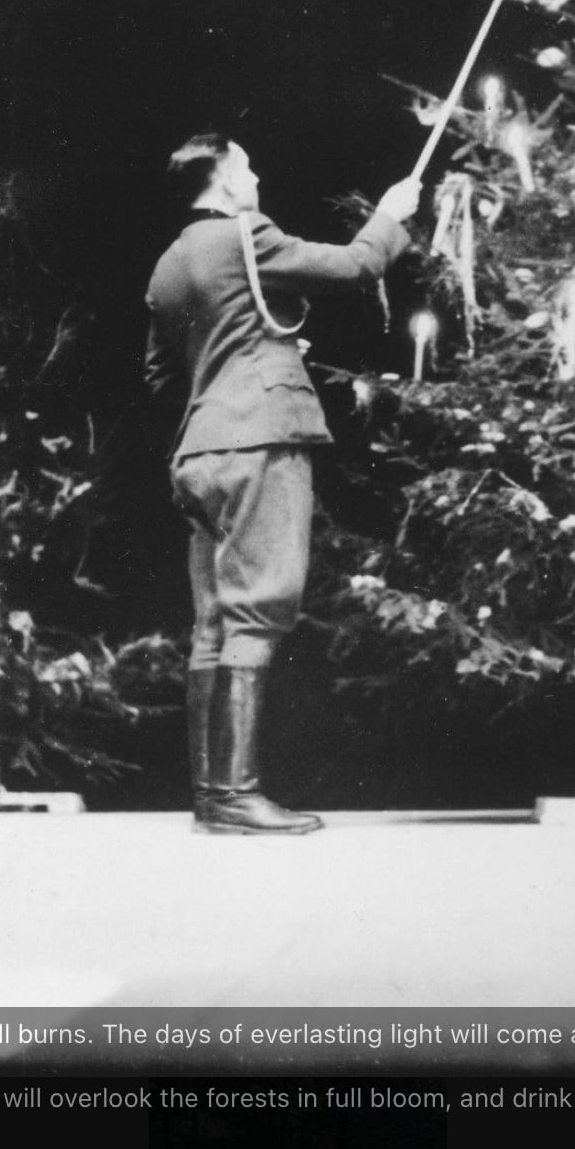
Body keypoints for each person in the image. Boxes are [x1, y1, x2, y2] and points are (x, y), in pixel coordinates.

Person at [145, 133, 421, 834]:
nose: (257, 174)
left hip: (200, 451)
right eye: (247, 165)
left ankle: (214, 798)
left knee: (214, 624)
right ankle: (237, 796)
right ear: (227, 181)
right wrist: (392, 213)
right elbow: (357, 265)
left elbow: (161, 375)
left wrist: (252, 353)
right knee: (259, 609)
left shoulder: (169, 264)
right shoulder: (245, 232)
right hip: (258, 439)